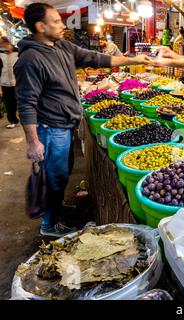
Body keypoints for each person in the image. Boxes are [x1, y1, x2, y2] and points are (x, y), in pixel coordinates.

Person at [15, 3, 152, 237]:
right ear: (40, 26)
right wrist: (33, 142)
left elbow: (95, 58)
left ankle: (56, 209)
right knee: (54, 178)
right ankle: (49, 224)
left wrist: (134, 60)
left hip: (65, 126)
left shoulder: (62, 46)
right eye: (56, 21)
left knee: (62, 173)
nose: (62, 24)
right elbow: (26, 103)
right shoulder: (30, 59)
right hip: (50, 129)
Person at [0, 36, 19, 128]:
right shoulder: (0, 54)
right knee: (8, 102)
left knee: (20, 101)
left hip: (18, 82)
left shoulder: (18, 52)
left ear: (7, 43)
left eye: (2, 44)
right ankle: (12, 120)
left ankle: (24, 118)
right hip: (5, 82)